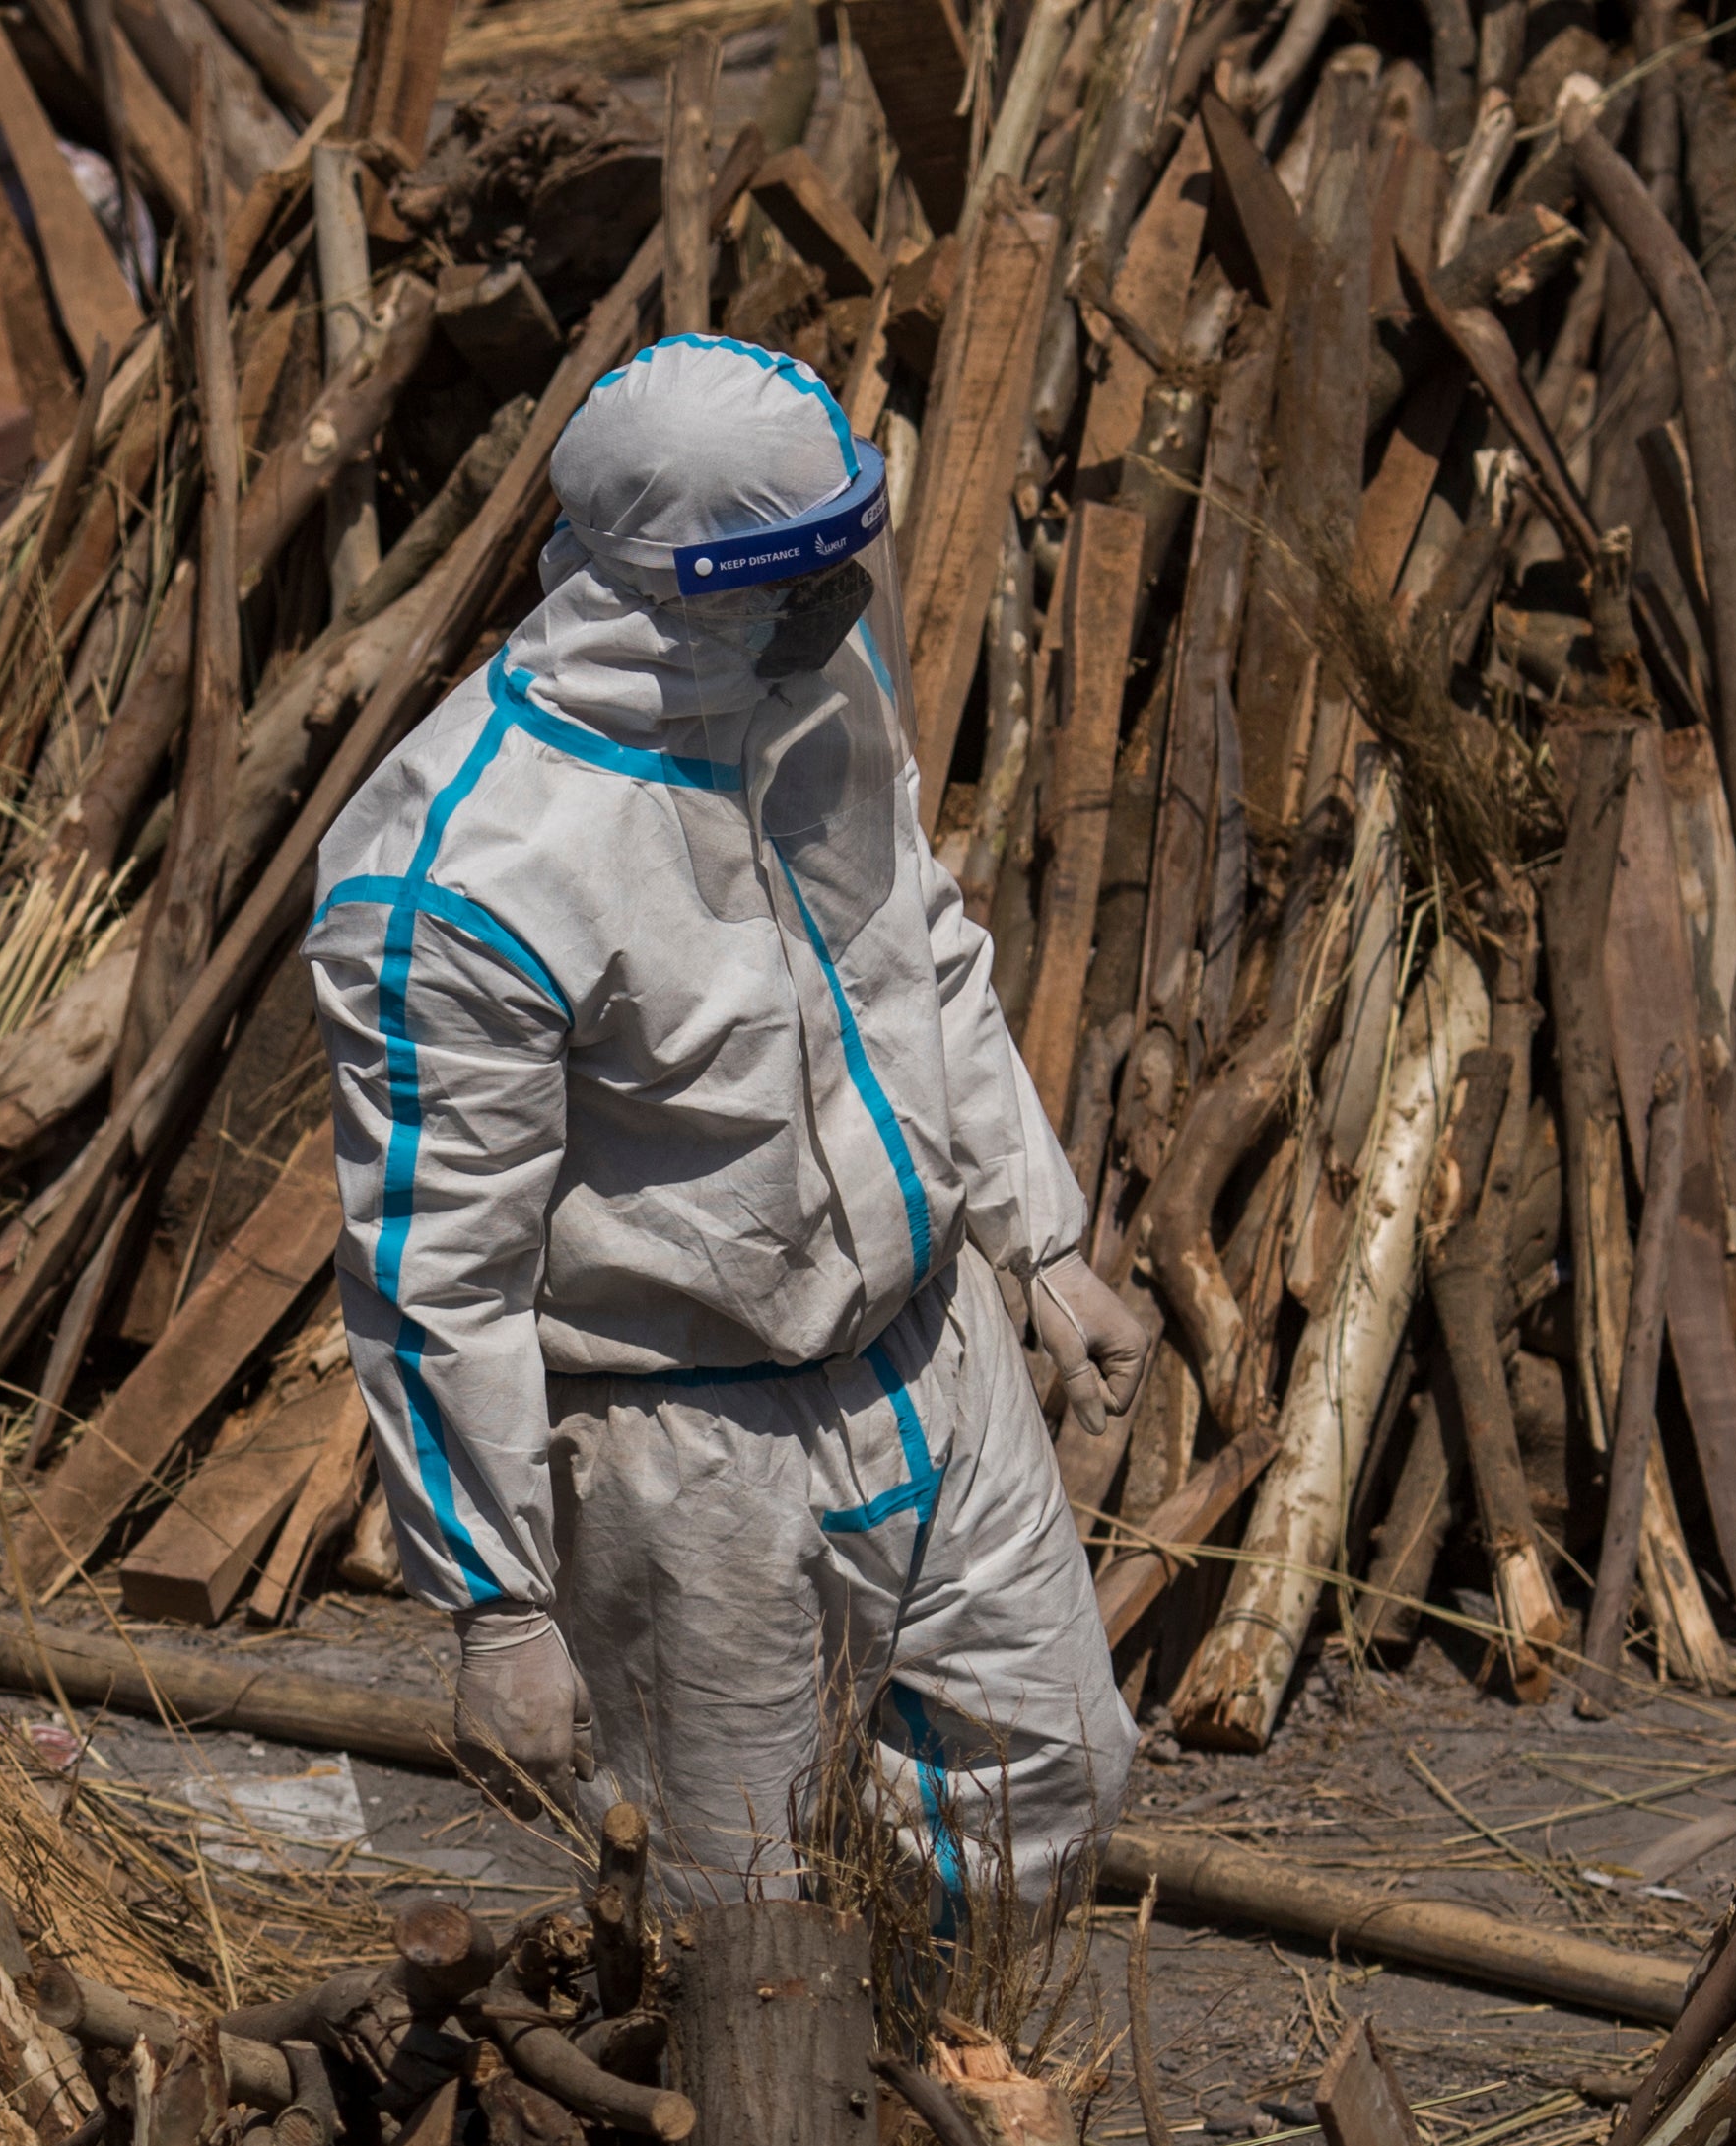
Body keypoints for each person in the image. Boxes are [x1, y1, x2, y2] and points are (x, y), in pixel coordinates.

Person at [303, 332, 1146, 1916]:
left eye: (850, 555)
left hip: (932, 1366)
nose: (841, 603)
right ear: (653, 587)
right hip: (685, 1459)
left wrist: (1034, 1243)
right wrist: (495, 1606)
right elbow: (437, 1274)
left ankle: (931, 2107)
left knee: (1047, 1776)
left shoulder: (813, 692)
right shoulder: (466, 876)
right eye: (794, 574)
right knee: (733, 1907)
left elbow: (921, 953)